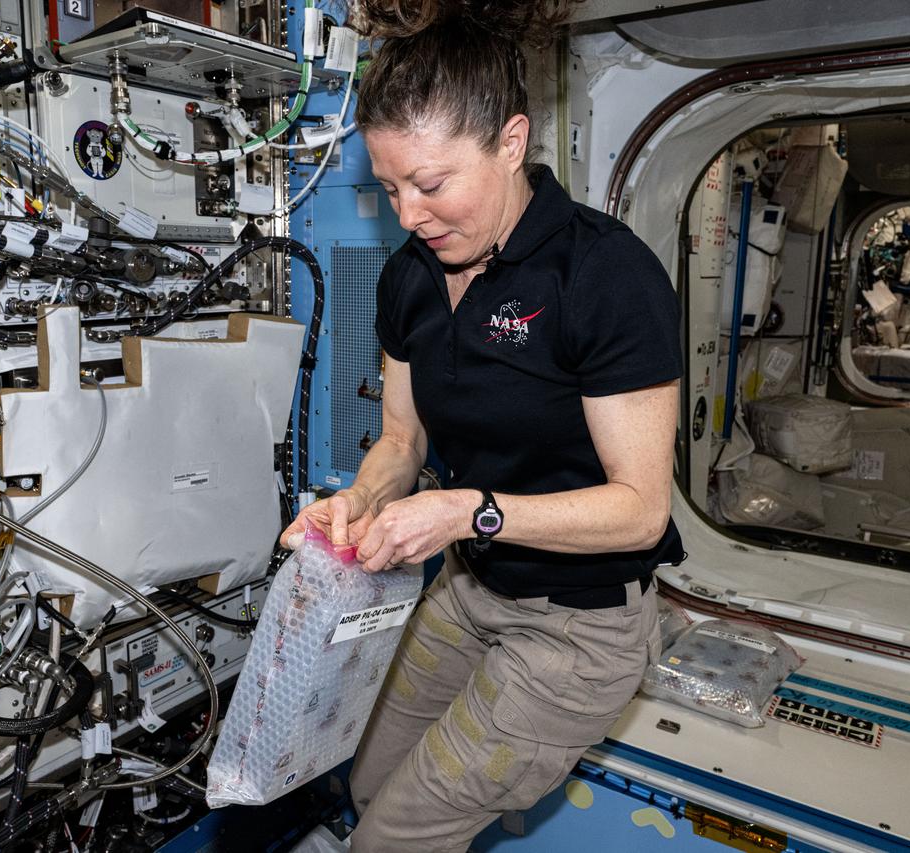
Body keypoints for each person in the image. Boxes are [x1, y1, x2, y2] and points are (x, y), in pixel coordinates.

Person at [279, 3, 685, 849]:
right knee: (365, 781)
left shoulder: (605, 276)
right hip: (471, 591)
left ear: (510, 142)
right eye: (389, 189)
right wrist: (356, 504)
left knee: (394, 837)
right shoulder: (411, 279)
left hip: (580, 624)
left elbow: (640, 509)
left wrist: (466, 511)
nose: (409, 216)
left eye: (430, 184)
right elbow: (401, 443)